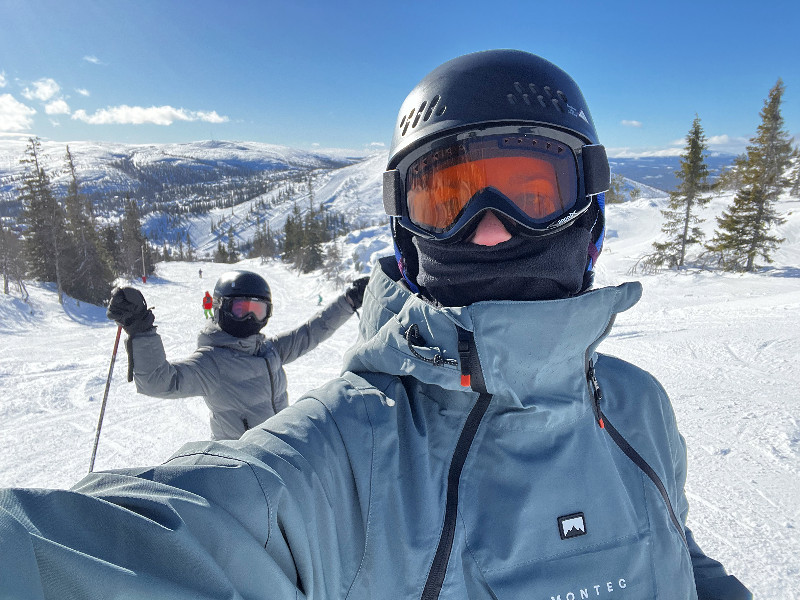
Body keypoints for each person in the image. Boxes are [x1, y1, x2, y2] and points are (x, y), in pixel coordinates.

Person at [0, 50, 751, 599]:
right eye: (448, 200)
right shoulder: (340, 463)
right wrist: (143, 332)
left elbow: (676, 551)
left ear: (589, 215)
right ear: (406, 234)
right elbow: (178, 533)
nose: (491, 230)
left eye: (531, 190)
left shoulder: (637, 404)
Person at [105, 269, 369, 440]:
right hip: (240, 466)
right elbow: (158, 381)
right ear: (221, 309)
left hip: (280, 454)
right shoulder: (211, 363)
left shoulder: (269, 350)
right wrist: (141, 331)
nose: (251, 317)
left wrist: (348, 301)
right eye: (242, 309)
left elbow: (311, 332)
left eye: (258, 310)